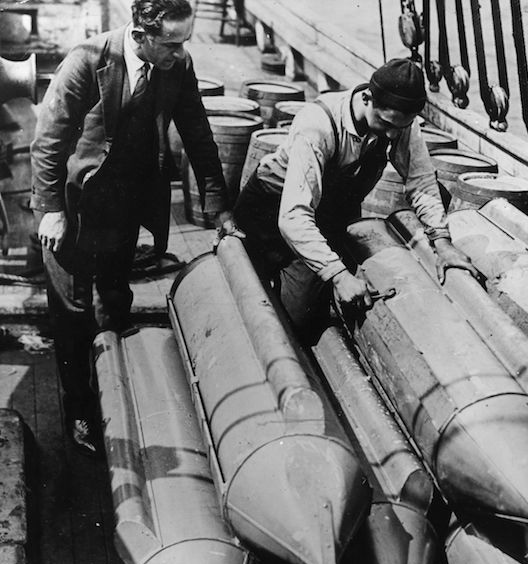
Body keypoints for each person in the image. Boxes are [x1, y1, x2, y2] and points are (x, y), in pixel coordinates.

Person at [30, 0, 232, 456]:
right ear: (140, 35)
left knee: (115, 301)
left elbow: (198, 133)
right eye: (172, 42)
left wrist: (218, 206)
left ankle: (115, 398)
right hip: (75, 206)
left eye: (185, 41)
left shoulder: (176, 66)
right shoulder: (87, 61)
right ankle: (79, 412)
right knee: (72, 314)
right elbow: (48, 139)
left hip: (124, 203)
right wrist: (50, 210)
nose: (180, 52)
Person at [229, 57, 477, 340]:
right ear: (367, 98)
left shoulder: (399, 122)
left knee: (301, 320)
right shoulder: (318, 125)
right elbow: (293, 216)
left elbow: (420, 180)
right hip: (270, 210)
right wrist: (338, 275)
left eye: (400, 127)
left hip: (325, 212)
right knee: (248, 296)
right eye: (386, 123)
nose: (392, 134)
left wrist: (442, 243)